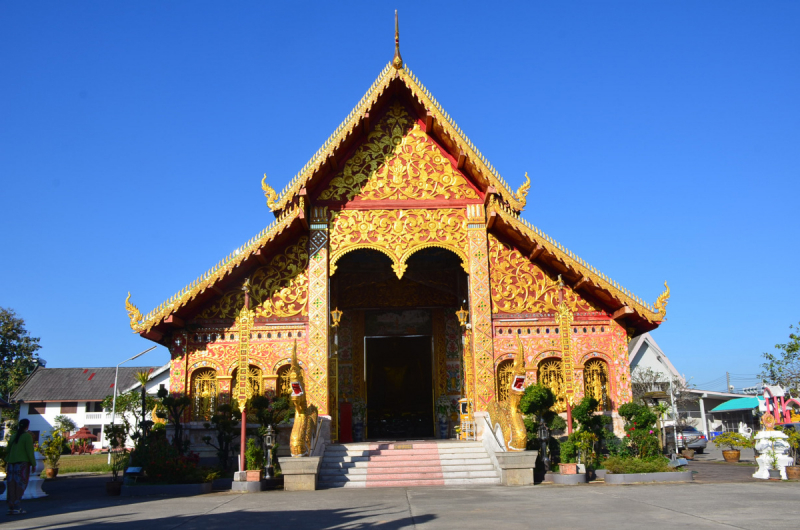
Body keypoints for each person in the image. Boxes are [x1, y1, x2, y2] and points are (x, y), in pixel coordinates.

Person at [5, 418, 36, 515]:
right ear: (27, 426)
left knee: (11, 485)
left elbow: (8, 449)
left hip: (11, 463)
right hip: (22, 464)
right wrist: (33, 464)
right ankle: (17, 506)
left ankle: (11, 506)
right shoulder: (27, 436)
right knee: (20, 485)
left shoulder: (14, 435)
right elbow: (29, 452)